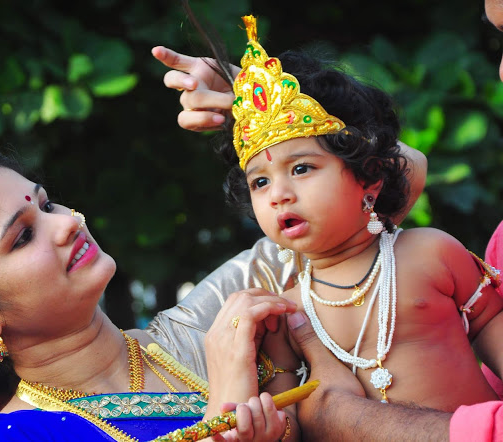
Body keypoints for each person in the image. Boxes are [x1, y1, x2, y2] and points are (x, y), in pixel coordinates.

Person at [148, 2, 503, 438]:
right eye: (260, 182)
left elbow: (492, 327)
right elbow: (292, 421)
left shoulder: (431, 251)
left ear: (369, 175)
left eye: (301, 169)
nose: (278, 194)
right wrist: (266, 430)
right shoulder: (285, 312)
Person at [0, 152, 294, 441]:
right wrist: (222, 415)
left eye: (47, 205)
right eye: (23, 236)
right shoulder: (10, 437)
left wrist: (283, 367)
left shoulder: (198, 338)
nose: (68, 223)